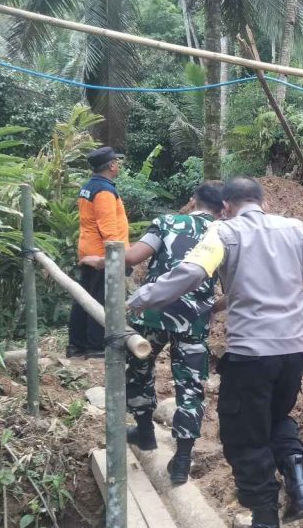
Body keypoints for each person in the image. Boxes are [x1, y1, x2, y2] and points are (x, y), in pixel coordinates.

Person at [127, 177, 303, 528]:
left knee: (243, 433)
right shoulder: (296, 229)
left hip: (251, 352)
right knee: (275, 416)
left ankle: (265, 516)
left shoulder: (222, 233)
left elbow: (190, 274)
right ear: (262, 202)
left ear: (226, 207)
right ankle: (300, 489)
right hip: (294, 350)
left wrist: (141, 299)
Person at [81, 183, 225, 485]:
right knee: (190, 385)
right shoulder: (226, 234)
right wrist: (209, 307)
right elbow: (235, 287)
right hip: (194, 320)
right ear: (223, 207)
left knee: (139, 367)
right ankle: (182, 459)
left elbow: (132, 257)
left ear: (193, 199)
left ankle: (145, 431)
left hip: (154, 312)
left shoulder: (168, 222)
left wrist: (97, 261)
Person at [69, 146, 129, 359]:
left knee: (84, 298)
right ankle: (95, 346)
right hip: (101, 256)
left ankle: (77, 345)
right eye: (117, 162)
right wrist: (116, 258)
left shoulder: (90, 186)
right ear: (112, 165)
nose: (118, 165)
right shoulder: (104, 191)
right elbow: (109, 230)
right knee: (99, 300)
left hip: (89, 250)